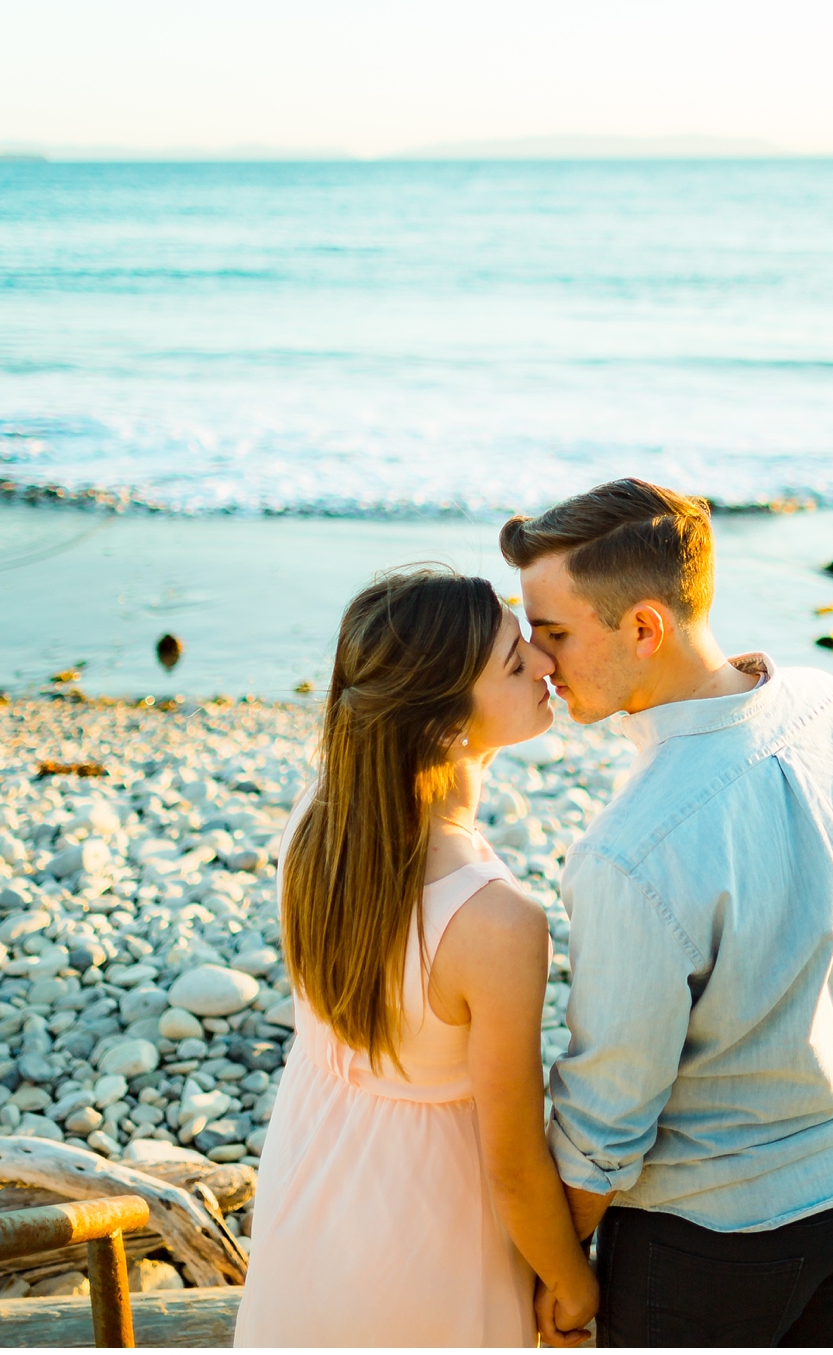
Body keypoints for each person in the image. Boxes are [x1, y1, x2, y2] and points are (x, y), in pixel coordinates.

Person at [502, 480, 833, 1348]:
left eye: (555, 633)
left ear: (644, 628)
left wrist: (560, 1266)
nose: (539, 661)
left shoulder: (630, 853)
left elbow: (608, 1119)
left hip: (716, 1242)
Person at [234, 567, 600, 1347]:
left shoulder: (320, 823)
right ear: (440, 726)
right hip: (431, 1231)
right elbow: (513, 1161)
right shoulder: (497, 923)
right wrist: (573, 1283)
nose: (544, 662)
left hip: (313, 1182)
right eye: (513, 662)